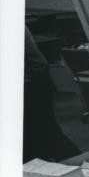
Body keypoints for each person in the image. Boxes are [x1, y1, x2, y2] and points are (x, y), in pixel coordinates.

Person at [23, 27, 79, 162]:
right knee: (42, 137)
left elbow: (37, 63)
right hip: (34, 81)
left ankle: (83, 170)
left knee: (46, 134)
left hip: (30, 85)